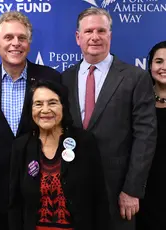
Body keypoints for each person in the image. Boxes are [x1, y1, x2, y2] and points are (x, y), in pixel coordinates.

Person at [61, 7, 157, 230]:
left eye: (101, 31)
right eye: (88, 31)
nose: (95, 37)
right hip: (73, 190)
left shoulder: (135, 77)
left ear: (110, 36)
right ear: (78, 37)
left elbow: (145, 136)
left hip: (118, 192)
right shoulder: (65, 78)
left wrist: (132, 190)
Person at [0, 11, 60, 230]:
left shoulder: (51, 78)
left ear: (29, 44)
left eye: (22, 38)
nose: (15, 43)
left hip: (43, 189)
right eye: (8, 37)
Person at [8, 80, 110, 230]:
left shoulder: (84, 142)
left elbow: (99, 198)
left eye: (52, 103)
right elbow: (15, 204)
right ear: (30, 109)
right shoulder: (21, 146)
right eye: (38, 104)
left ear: (63, 106)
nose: (45, 110)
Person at [136, 41, 166, 230]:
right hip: (146, 185)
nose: (164, 68)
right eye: (159, 61)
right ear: (150, 65)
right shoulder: (139, 98)